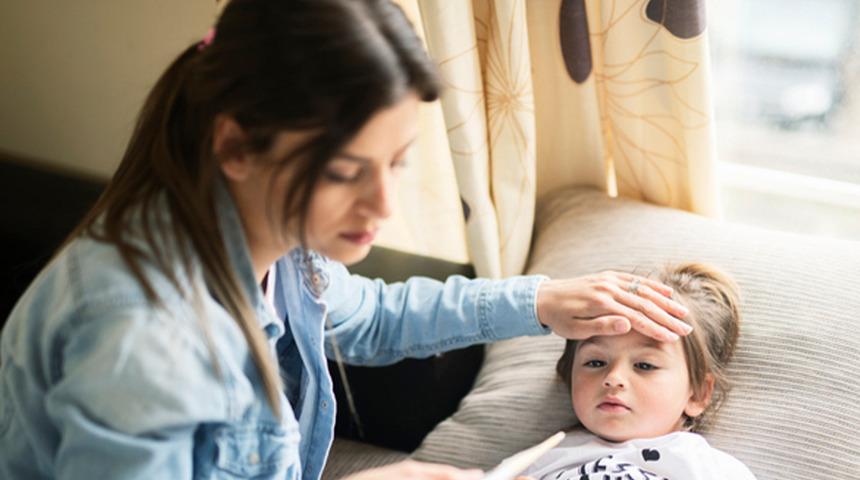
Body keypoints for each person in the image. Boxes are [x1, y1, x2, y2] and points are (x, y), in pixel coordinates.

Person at [0, 1, 691, 479]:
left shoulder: (280, 249)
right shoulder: (142, 339)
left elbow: (374, 317)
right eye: (344, 172)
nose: (383, 205)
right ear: (236, 146)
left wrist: (543, 301)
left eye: (396, 164)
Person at [519, 263, 756, 480]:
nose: (613, 379)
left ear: (698, 394)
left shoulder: (710, 468)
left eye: (645, 366)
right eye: (595, 363)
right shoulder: (539, 460)